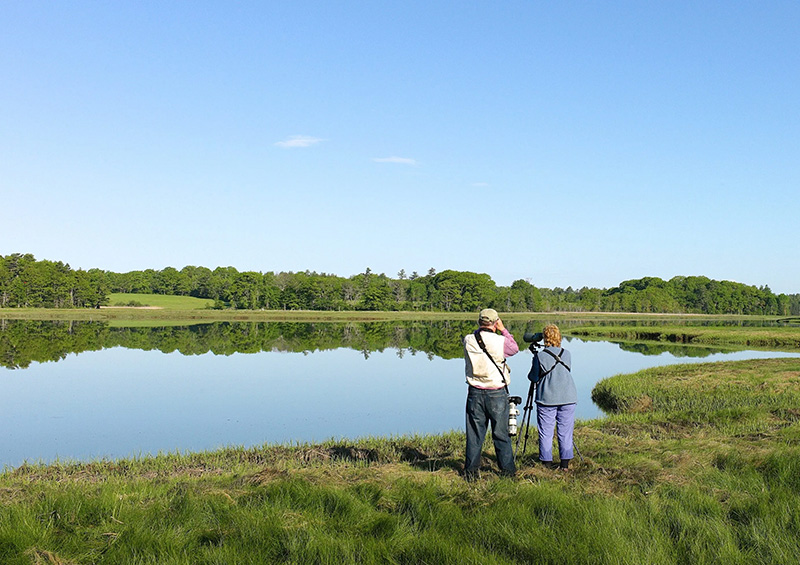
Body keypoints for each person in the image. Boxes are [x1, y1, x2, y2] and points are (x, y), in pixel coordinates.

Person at [463, 308, 520, 480]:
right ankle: (508, 472)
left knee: (474, 435)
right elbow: (515, 349)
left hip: (475, 392)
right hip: (496, 392)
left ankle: (471, 474)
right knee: (501, 434)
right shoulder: (500, 341)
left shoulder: (469, 339)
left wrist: (482, 330)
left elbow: (476, 334)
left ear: (479, 322)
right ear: (495, 323)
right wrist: (503, 329)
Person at [527, 324, 577, 470]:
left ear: (544, 338)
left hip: (547, 399)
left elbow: (534, 377)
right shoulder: (567, 353)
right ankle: (565, 465)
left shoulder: (540, 356)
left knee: (546, 432)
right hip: (568, 397)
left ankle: (547, 464)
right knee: (565, 431)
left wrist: (534, 358)